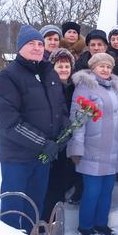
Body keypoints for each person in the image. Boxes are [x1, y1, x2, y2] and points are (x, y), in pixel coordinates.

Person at [0, 25, 67, 233]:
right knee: (14, 207)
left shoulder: (49, 73)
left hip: (43, 158)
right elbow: (8, 121)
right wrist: (44, 143)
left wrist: (63, 133)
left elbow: (60, 108)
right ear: (19, 48)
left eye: (39, 44)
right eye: (31, 44)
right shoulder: (9, 76)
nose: (36, 48)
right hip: (18, 157)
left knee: (35, 204)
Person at [67, 52, 118, 235]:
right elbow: (78, 120)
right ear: (93, 68)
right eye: (101, 66)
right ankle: (85, 226)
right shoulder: (84, 87)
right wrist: (77, 148)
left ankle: (101, 224)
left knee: (106, 191)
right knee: (92, 191)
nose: (105, 70)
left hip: (113, 148)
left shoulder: (114, 88)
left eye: (108, 67)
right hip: (92, 148)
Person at [41, 48, 76, 222]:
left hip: (67, 142)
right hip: (51, 141)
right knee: (50, 185)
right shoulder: (46, 87)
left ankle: (56, 223)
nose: (63, 69)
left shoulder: (74, 88)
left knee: (61, 183)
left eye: (67, 66)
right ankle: (45, 222)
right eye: (59, 66)